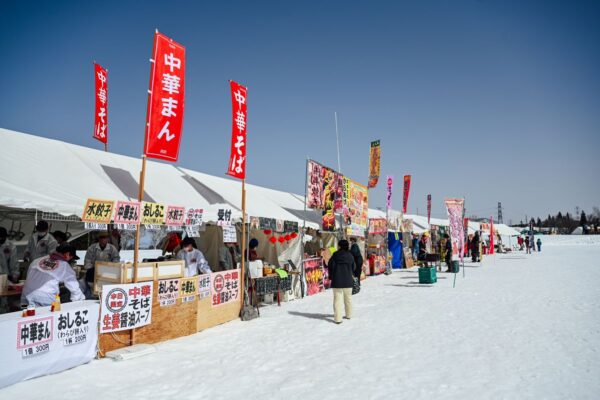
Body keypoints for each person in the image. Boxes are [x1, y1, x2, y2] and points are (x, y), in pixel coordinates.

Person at [327, 239, 355, 324]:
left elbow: (330, 266)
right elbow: (354, 267)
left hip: (337, 281)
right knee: (348, 299)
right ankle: (349, 315)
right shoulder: (350, 255)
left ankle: (338, 319)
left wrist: (331, 276)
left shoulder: (335, 255)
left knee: (337, 300)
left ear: (339, 246)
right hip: (348, 280)